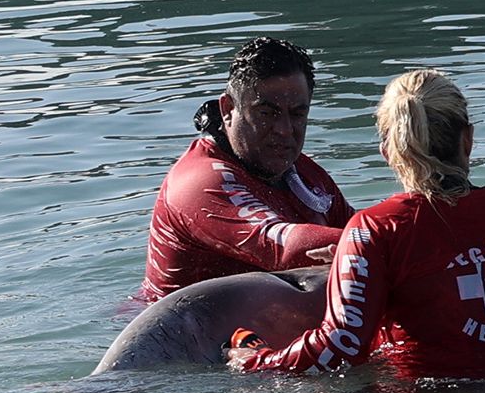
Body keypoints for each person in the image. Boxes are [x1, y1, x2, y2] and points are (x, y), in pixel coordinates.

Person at [228, 69, 485, 376]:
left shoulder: (376, 229)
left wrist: (256, 360)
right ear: (468, 140)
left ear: (387, 151)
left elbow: (340, 348)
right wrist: (362, 259)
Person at [141, 37, 353, 302]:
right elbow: (283, 248)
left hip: (260, 329)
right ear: (228, 109)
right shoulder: (198, 182)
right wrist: (401, 241)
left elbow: (361, 226)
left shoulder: (304, 175)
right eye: (267, 113)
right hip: (174, 336)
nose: (284, 130)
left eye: (297, 114)